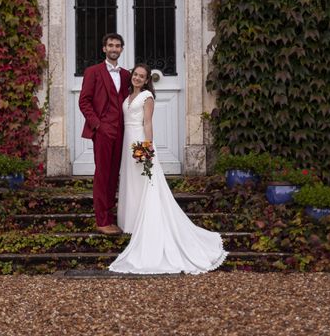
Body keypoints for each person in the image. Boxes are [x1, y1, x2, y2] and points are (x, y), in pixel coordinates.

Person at [109, 63, 228, 274]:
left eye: (141, 76)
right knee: (131, 182)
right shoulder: (127, 96)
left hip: (139, 141)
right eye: (135, 74)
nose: (137, 78)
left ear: (147, 80)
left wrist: (147, 147)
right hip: (127, 142)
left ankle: (146, 226)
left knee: (146, 183)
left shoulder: (147, 97)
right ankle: (132, 223)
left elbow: (147, 123)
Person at [79, 33, 131, 235]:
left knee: (114, 174)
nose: (114, 49)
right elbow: (84, 101)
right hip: (102, 131)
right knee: (103, 174)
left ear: (121, 49)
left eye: (117, 45)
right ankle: (102, 220)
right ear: (104, 48)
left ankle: (111, 216)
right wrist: (97, 125)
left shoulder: (126, 74)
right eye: (110, 45)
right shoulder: (93, 72)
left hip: (122, 131)